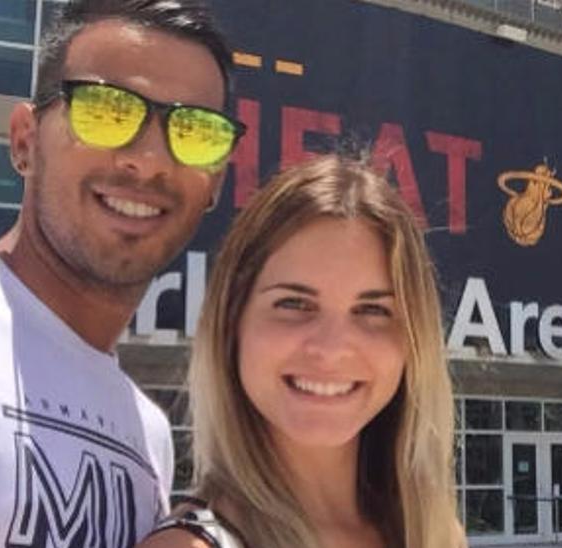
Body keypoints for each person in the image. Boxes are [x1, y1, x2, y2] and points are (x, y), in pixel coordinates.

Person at [0, 0, 244, 545]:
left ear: (212, 184)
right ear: (25, 140)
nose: (150, 159)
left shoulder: (150, 436)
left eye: (195, 132)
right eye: (107, 111)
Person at [138, 157, 464, 548]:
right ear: (231, 323)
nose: (331, 349)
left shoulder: (435, 535)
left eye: (373, 309)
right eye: (293, 304)